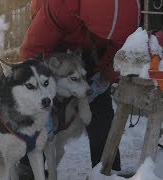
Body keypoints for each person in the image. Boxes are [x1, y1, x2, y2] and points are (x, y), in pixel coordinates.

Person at [17, 0, 140, 178]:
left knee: (101, 113)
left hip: (94, 50)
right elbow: (32, 50)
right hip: (55, 45)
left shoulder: (127, 17)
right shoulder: (60, 6)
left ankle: (107, 170)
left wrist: (105, 76)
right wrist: (36, 90)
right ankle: (28, 168)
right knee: (40, 116)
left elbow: (119, 51)